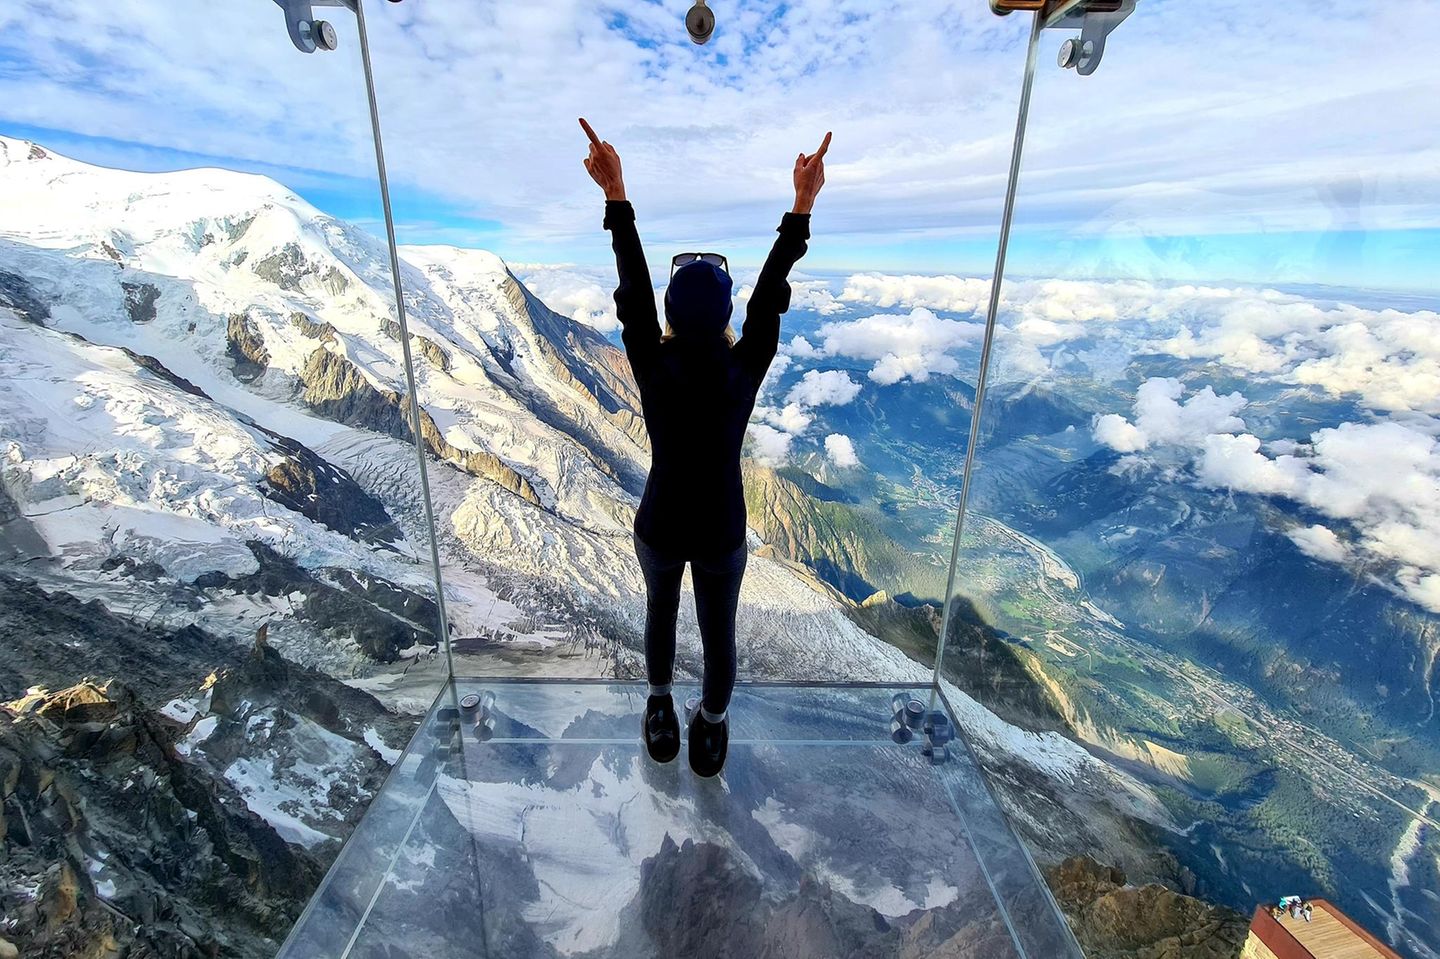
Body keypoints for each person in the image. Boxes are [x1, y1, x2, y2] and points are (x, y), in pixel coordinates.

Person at [579, 117, 830, 777]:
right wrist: (800, 207)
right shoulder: (742, 369)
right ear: (725, 316)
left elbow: (630, 289)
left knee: (660, 615)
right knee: (719, 636)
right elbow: (770, 300)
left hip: (659, 521)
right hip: (721, 528)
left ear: (669, 312)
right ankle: (711, 727)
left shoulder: (651, 365)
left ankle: (659, 707)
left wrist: (617, 194)